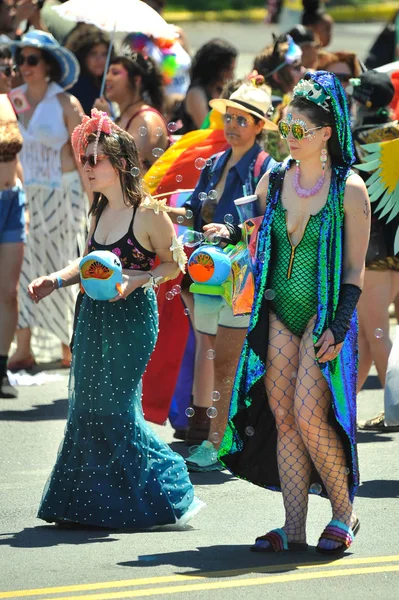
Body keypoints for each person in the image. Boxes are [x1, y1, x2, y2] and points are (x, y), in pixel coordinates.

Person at [208, 71, 370, 554]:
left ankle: (345, 512)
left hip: (323, 318)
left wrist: (340, 326)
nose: (288, 136)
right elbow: (252, 230)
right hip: (277, 311)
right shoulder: (276, 177)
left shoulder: (349, 189)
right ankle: (294, 526)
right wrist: (228, 234)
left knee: (307, 413)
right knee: (282, 413)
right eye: (286, 125)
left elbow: (355, 270)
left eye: (299, 129)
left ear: (325, 133)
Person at [30, 109, 203, 528]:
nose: (86, 167)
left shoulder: (147, 213)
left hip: (131, 319)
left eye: (95, 160)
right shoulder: (98, 208)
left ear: (121, 164)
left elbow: (173, 264)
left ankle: (169, 484)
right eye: (83, 159)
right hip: (92, 317)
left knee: (115, 408)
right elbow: (89, 264)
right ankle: (89, 503)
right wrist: (56, 279)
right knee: (87, 407)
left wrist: (136, 279)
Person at [167, 78, 278, 463]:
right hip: (205, 270)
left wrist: (233, 231)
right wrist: (164, 211)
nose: (231, 126)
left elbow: (268, 223)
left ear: (261, 126)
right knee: (209, 351)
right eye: (228, 118)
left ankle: (219, 440)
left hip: (241, 275)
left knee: (228, 358)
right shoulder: (214, 164)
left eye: (242, 120)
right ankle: (212, 433)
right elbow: (195, 213)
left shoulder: (269, 169)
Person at [7, 30, 88, 370]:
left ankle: (67, 345)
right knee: (25, 266)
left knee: (62, 264)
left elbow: (85, 155)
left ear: (48, 64)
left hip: (63, 194)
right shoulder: (13, 98)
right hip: (28, 193)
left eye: (32, 60)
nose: (24, 66)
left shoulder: (66, 103)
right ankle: (23, 348)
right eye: (20, 59)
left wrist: (96, 199)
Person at [349, 71, 399, 431]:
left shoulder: (358, 140)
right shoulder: (396, 133)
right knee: (368, 333)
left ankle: (396, 410)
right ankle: (342, 410)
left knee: (377, 331)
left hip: (373, 250)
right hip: (395, 246)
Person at [95, 50, 169, 172]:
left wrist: (105, 120)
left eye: (115, 73)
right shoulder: (124, 116)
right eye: (107, 72)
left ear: (136, 80)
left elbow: (126, 161)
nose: (107, 77)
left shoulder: (146, 118)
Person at [0, 47, 25, 398]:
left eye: (9, 65)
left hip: (13, 202)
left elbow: (16, 158)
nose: (9, 71)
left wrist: (26, 202)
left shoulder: (9, 103)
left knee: (8, 290)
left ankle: (1, 366)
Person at [178, 39, 238, 134]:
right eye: (229, 70)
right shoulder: (196, 93)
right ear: (215, 69)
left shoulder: (220, 90)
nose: (232, 76)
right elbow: (207, 130)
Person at [65, 25, 112, 116]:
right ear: (83, 56)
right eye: (93, 54)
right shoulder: (76, 88)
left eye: (104, 54)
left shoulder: (105, 82)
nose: (100, 60)